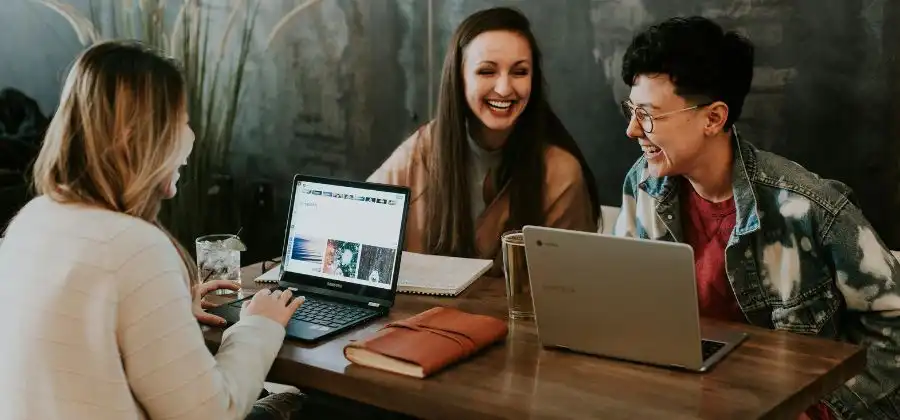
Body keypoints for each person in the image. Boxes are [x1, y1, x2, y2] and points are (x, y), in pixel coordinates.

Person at [0, 40, 306, 419]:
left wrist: (168, 305)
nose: (189, 136)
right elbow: (212, 414)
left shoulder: (31, 220)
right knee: (296, 401)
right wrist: (259, 325)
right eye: (179, 122)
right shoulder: (135, 247)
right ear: (138, 136)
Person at [613, 16, 900, 419]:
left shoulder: (806, 206)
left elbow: (894, 326)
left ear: (713, 118)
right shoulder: (643, 184)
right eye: (631, 110)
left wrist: (823, 411)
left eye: (648, 114)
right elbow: (625, 305)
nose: (631, 130)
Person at [368, 6, 599, 269]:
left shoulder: (560, 174)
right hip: (422, 310)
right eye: (487, 72)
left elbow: (570, 286)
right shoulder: (423, 149)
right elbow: (355, 224)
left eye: (520, 72)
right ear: (459, 78)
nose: (504, 88)